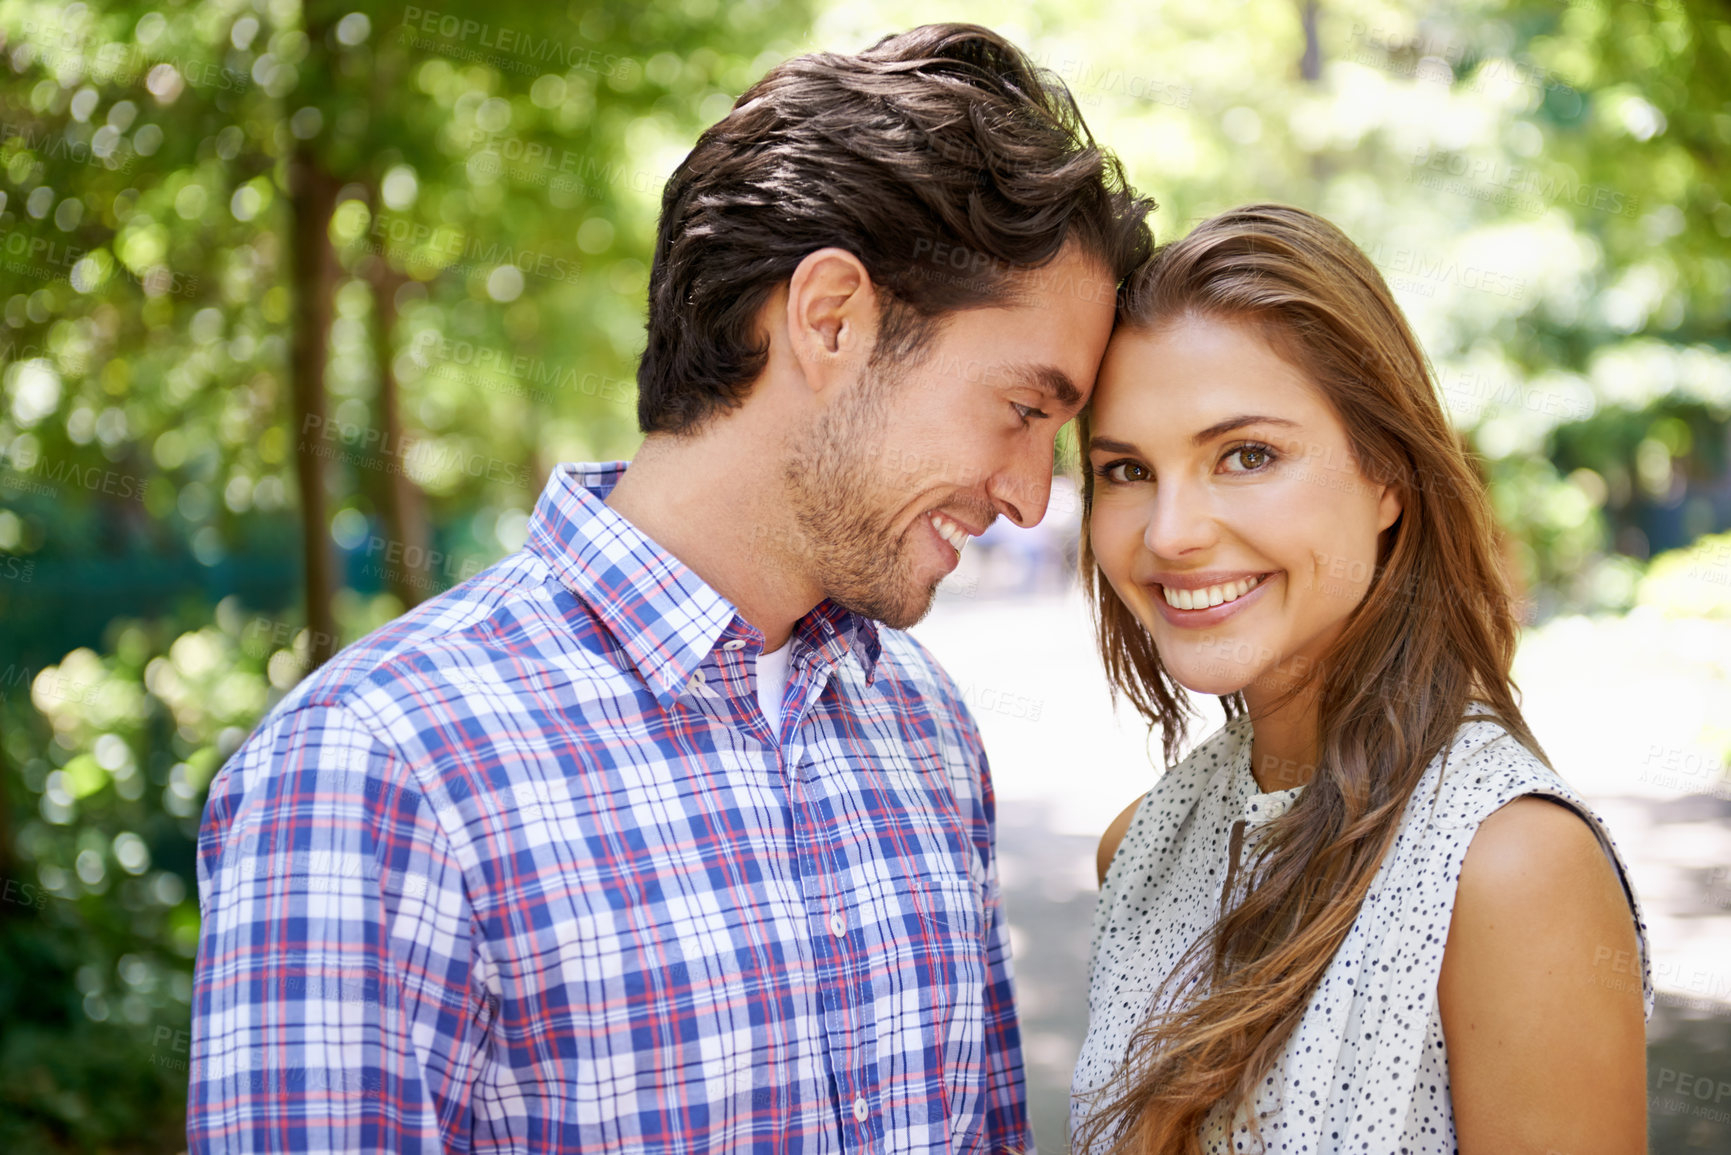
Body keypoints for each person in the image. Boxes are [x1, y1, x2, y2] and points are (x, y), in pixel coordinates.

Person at [187, 23, 1154, 1154]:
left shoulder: (924, 732)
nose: (1032, 498)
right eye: (1024, 410)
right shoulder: (377, 774)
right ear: (831, 317)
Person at [1068, 204, 1651, 1155]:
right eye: (1126, 468)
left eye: (1245, 455)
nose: (1169, 531)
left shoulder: (1507, 867)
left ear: (1387, 474)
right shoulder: (1140, 847)